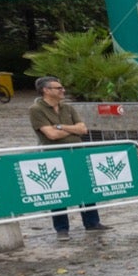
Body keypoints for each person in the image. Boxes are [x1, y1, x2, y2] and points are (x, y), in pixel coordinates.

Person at [28, 76, 108, 239]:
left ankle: (92, 222)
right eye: (59, 88)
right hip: (54, 154)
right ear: (46, 90)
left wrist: (61, 127)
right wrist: (71, 129)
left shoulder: (68, 108)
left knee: (85, 187)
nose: (63, 90)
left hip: (76, 152)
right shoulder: (36, 110)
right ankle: (62, 228)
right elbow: (51, 134)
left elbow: (83, 129)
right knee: (58, 191)